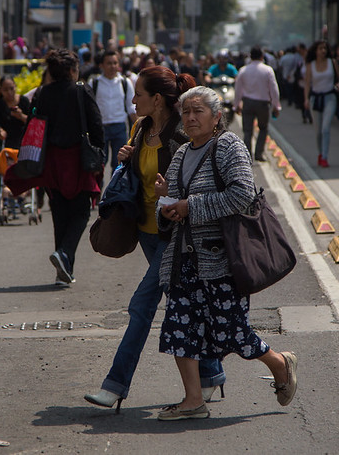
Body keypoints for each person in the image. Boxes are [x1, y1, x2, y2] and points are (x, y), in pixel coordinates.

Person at [84, 67, 227, 413]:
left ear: (158, 99)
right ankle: (211, 375)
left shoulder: (181, 133)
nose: (132, 101)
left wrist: (172, 195)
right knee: (185, 304)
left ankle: (114, 385)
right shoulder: (140, 128)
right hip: (146, 234)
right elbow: (137, 179)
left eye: (139, 95)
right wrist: (125, 161)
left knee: (141, 307)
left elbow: (195, 182)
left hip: (175, 236)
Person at [155, 86, 296, 420]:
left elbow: (242, 195)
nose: (190, 118)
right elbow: (176, 207)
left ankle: (280, 363)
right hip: (184, 260)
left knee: (231, 332)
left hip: (222, 260)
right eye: (186, 111)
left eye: (198, 111)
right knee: (178, 330)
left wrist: (192, 206)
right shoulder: (181, 153)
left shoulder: (228, 146)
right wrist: (166, 208)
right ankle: (193, 401)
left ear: (217, 116)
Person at [4, 49, 104, 286]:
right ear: (71, 70)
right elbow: (97, 124)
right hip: (77, 161)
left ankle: (64, 270)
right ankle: (65, 256)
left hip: (51, 161)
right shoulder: (81, 90)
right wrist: (100, 156)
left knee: (59, 213)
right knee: (80, 212)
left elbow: (32, 124)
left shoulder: (43, 93)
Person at [89, 50, 137, 175]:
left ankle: (115, 192)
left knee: (119, 165)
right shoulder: (94, 83)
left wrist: (139, 127)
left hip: (119, 128)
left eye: (115, 63)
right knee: (99, 164)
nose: (113, 66)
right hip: (101, 129)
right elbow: (90, 107)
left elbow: (131, 107)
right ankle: (97, 193)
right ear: (102, 65)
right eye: (109, 63)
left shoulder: (125, 83)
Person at [234, 46, 281, 163]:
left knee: (248, 131)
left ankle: (247, 155)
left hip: (247, 103)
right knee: (263, 128)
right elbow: (274, 89)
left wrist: (236, 105)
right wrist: (276, 105)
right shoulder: (268, 70)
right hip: (263, 104)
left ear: (250, 56)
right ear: (262, 56)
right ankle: (259, 153)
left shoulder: (243, 70)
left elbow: (238, 89)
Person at [303, 40, 339, 167]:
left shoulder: (333, 62)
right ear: (315, 51)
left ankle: (325, 157)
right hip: (316, 99)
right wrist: (306, 99)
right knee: (318, 131)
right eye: (320, 48)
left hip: (330, 97)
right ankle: (320, 153)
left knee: (326, 128)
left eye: (325, 49)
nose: (323, 51)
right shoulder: (311, 65)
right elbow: (307, 84)